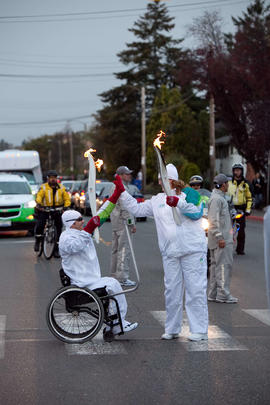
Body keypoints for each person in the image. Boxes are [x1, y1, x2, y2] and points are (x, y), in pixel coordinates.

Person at [118, 163, 208, 342]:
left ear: (173, 180)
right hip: (170, 252)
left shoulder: (189, 194)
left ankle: (199, 330)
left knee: (195, 289)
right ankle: (173, 328)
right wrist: (122, 192)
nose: (160, 182)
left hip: (192, 250)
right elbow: (137, 209)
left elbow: (197, 212)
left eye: (164, 179)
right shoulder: (157, 200)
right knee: (171, 291)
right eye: (160, 179)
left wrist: (179, 202)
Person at [59, 175, 138, 339]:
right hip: (82, 282)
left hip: (90, 279)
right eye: (80, 219)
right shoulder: (66, 238)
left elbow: (102, 213)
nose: (83, 221)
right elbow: (76, 246)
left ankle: (116, 322)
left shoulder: (80, 233)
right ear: (71, 223)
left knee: (114, 283)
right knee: (114, 285)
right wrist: (89, 228)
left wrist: (116, 195)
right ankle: (118, 324)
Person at [207, 174, 238, 304]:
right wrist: (220, 237)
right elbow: (213, 220)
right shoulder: (216, 199)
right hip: (221, 240)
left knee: (215, 267)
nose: (228, 185)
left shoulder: (218, 198)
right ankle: (223, 294)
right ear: (223, 184)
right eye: (227, 183)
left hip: (220, 239)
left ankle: (213, 294)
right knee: (223, 267)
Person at [110, 166, 137, 287]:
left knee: (115, 250)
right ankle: (122, 278)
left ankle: (114, 275)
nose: (129, 176)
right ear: (120, 175)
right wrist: (131, 223)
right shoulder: (121, 187)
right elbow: (125, 207)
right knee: (123, 251)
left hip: (116, 222)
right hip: (123, 223)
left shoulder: (114, 186)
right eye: (127, 174)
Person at [34, 170, 71, 257]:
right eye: (51, 178)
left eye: (54, 178)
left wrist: (66, 206)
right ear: (48, 179)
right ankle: (38, 241)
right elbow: (39, 196)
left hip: (57, 210)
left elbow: (67, 199)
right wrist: (39, 204)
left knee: (59, 227)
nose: (53, 180)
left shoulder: (62, 188)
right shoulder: (43, 187)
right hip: (45, 209)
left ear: (57, 179)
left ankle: (56, 249)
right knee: (40, 225)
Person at [227, 163, 252, 255]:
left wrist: (248, 210)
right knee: (228, 229)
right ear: (233, 171)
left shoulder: (246, 184)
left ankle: (240, 249)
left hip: (241, 209)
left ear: (242, 171)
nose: (237, 172)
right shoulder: (228, 183)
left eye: (239, 170)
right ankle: (227, 247)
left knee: (241, 230)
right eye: (235, 170)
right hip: (230, 208)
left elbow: (249, 198)